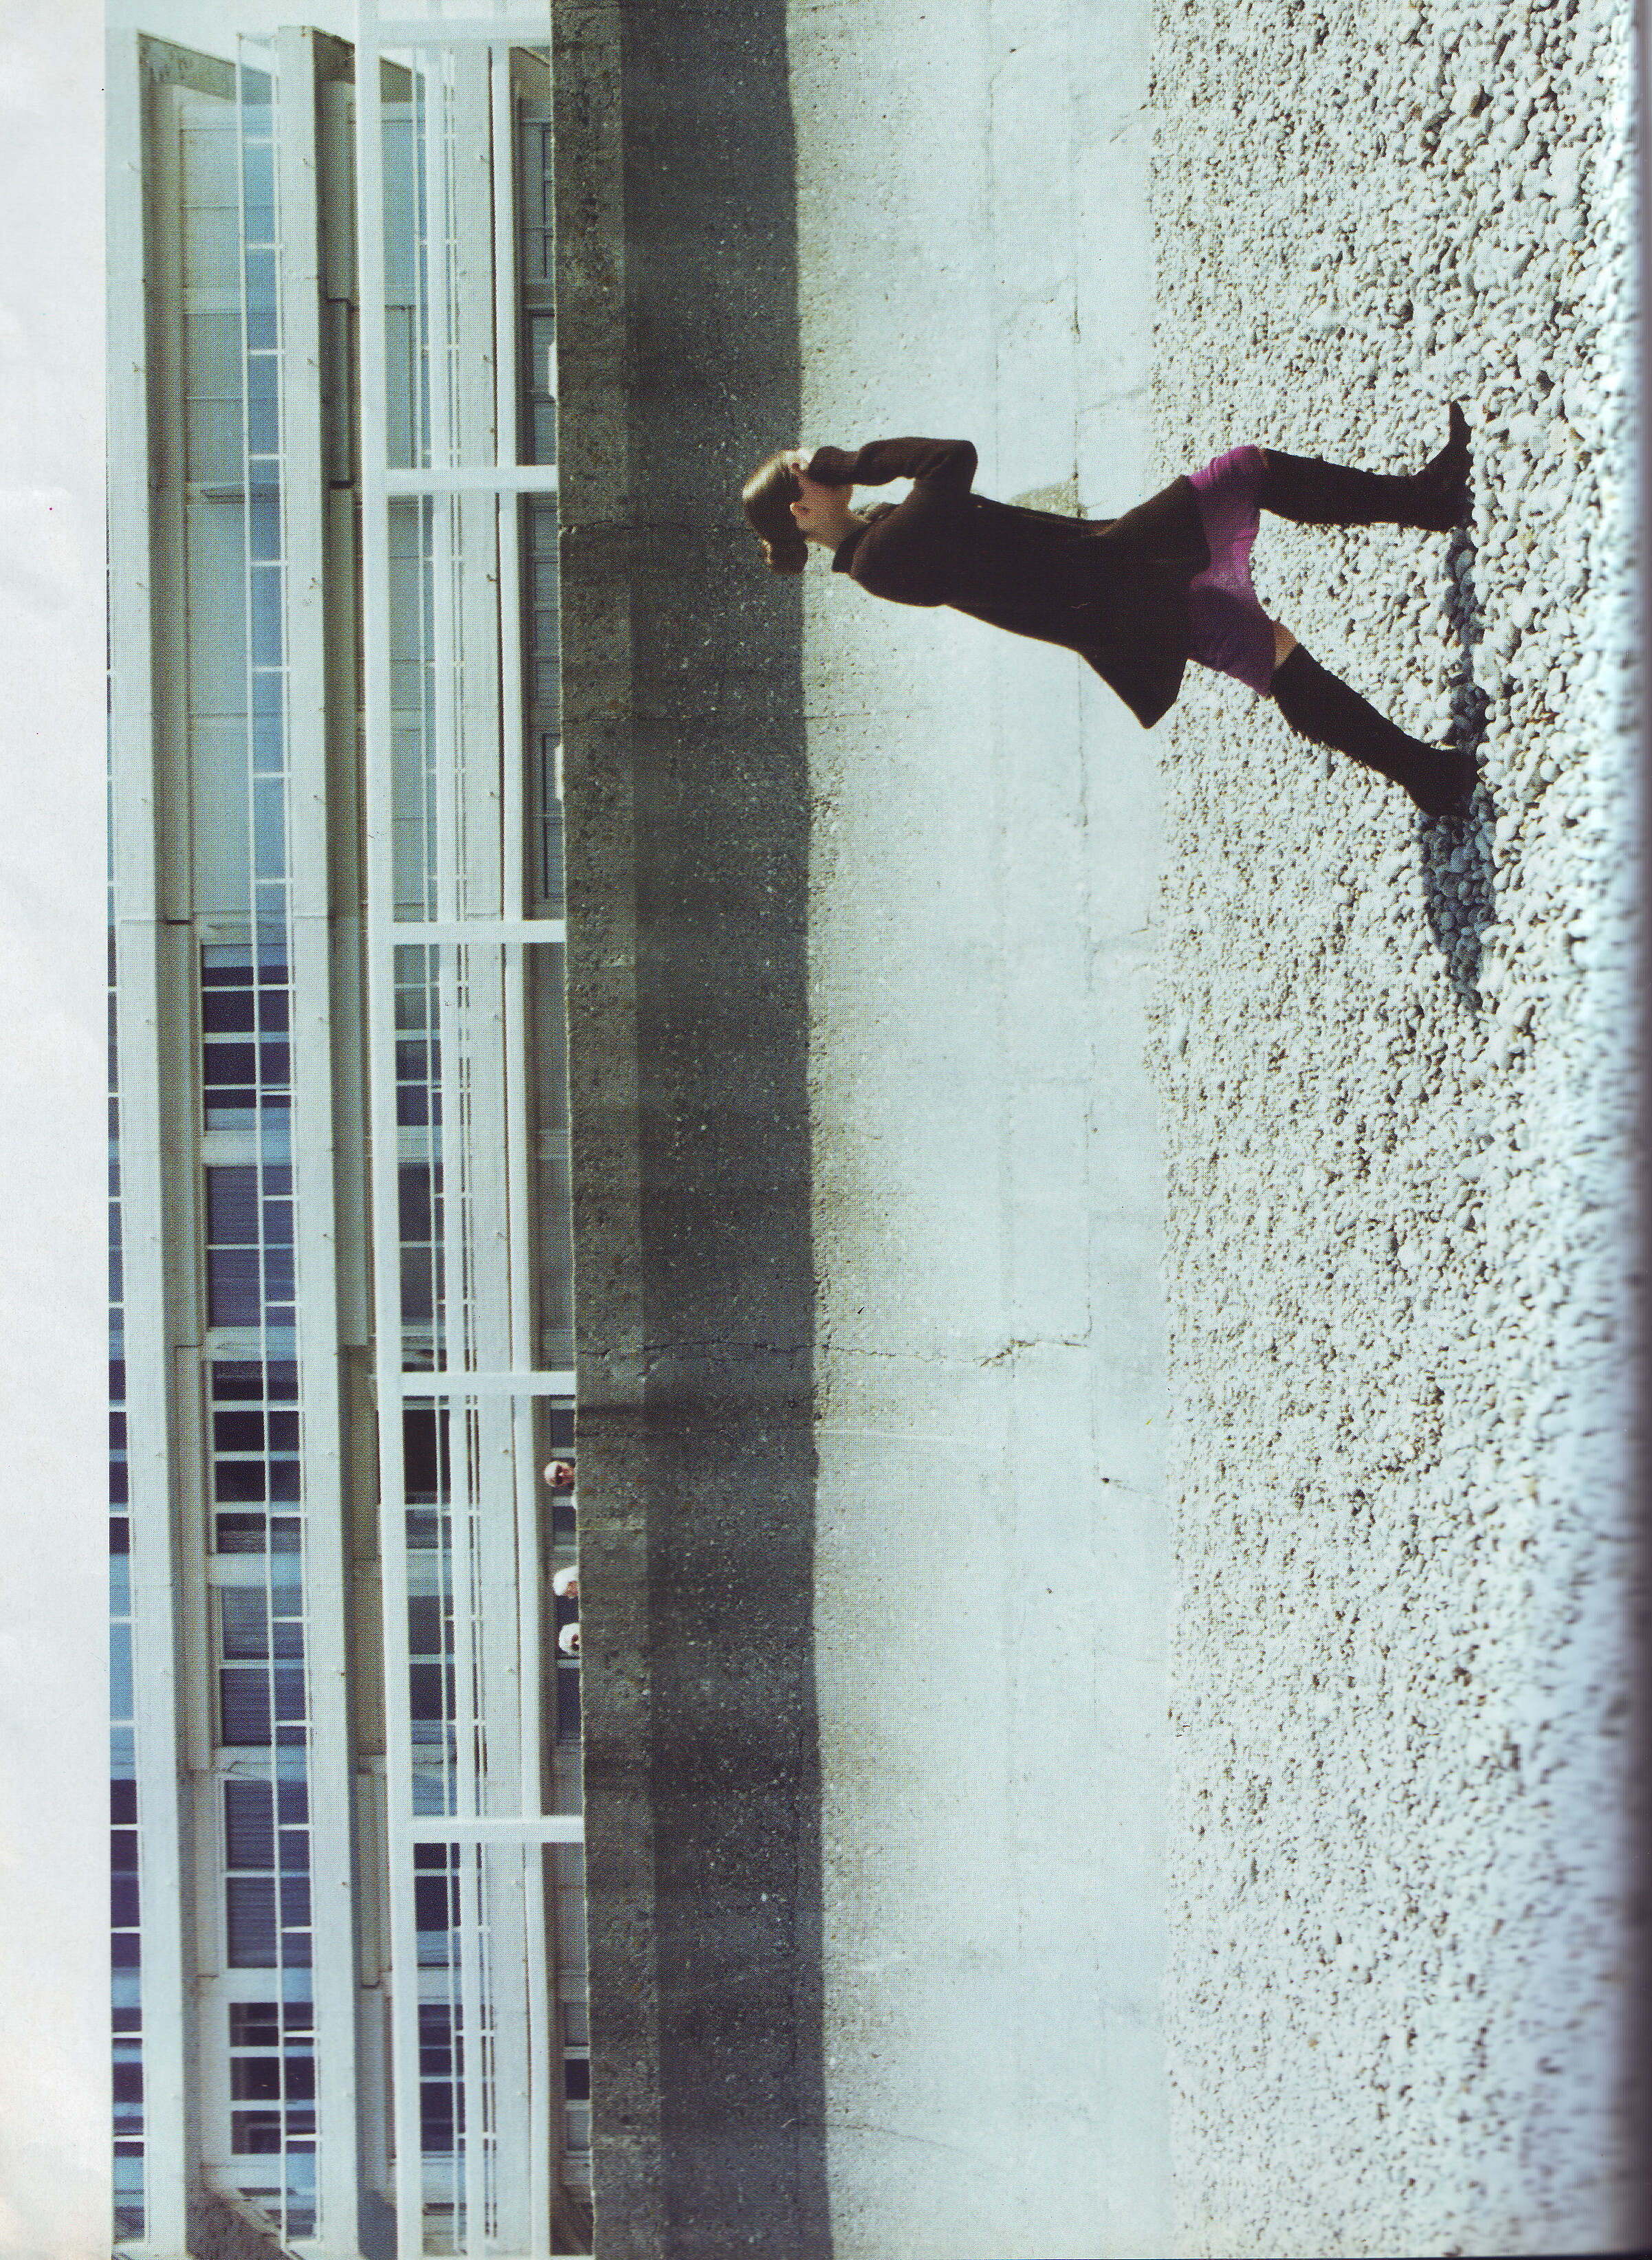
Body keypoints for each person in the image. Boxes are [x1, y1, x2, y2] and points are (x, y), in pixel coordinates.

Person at [740, 416, 1479, 821]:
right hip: (1112, 579)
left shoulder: (876, 533)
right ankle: (1426, 503)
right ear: (802, 510)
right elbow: (950, 458)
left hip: (1109, 587)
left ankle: (1427, 776)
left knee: (1268, 651)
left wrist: (850, 473)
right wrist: (848, 458)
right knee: (1246, 469)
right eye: (809, 471)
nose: (821, 467)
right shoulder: (878, 557)